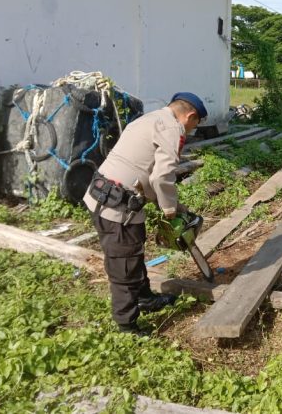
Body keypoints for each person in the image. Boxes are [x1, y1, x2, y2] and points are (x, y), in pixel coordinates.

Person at [83, 92, 207, 335]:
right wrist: (170, 209)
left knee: (133, 251)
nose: (192, 130)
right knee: (124, 266)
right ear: (190, 116)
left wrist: (171, 204)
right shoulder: (171, 129)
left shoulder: (150, 118)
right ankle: (126, 325)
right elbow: (161, 176)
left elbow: (145, 170)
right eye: (195, 124)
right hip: (117, 209)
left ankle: (145, 298)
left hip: (106, 196)